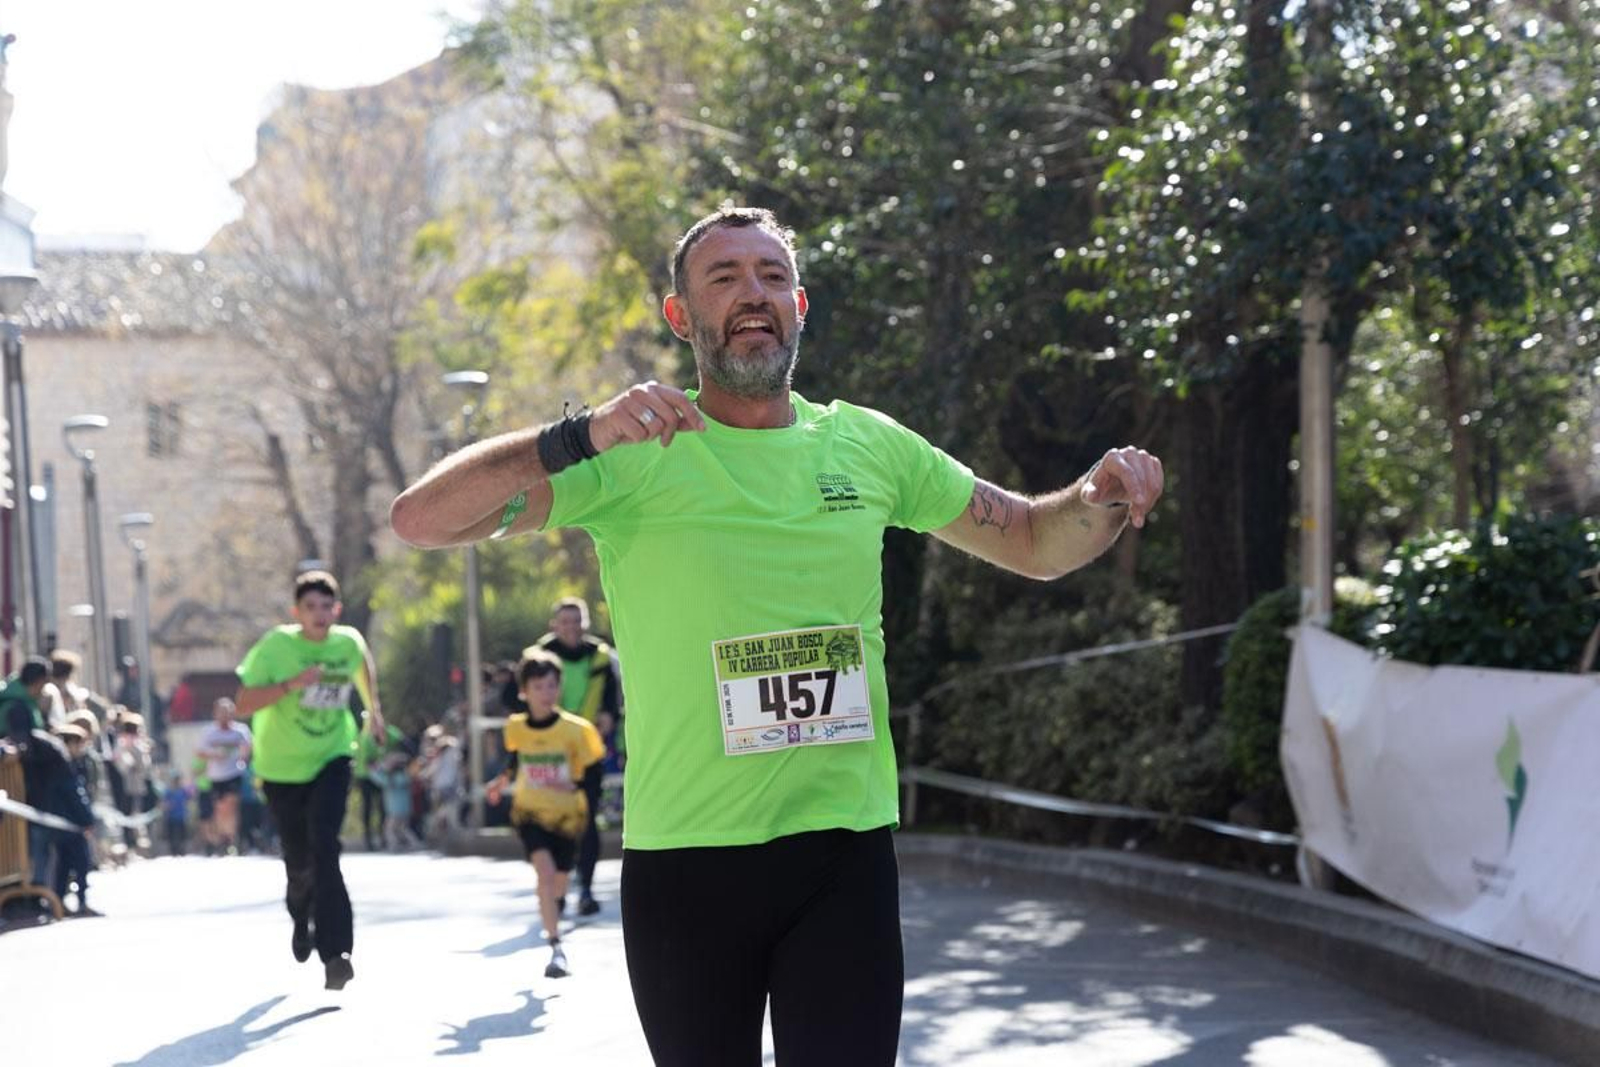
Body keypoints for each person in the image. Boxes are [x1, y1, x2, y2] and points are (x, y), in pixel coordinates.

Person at [390, 206, 1164, 1067]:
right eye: (723, 279)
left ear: (801, 303)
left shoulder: (868, 447)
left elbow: (1030, 539)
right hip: (687, 861)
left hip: (842, 857)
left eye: (769, 276)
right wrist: (578, 434)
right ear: (681, 318)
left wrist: (1095, 496)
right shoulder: (630, 454)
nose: (751, 294)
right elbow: (420, 519)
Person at [233, 569, 385, 991]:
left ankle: (337, 953)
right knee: (299, 862)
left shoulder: (347, 642)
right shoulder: (276, 647)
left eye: (326, 607)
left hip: (333, 755)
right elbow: (244, 702)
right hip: (282, 769)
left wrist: (375, 711)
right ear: (296, 611)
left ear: (336, 610)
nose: (319, 615)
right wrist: (291, 685)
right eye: (310, 607)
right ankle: (301, 914)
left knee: (325, 845)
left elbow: (363, 666)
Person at [486, 650, 604, 979]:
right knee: (546, 872)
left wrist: (575, 785)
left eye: (552, 686)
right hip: (530, 813)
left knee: (560, 882)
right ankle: (556, 946)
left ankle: (557, 905)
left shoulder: (577, 731)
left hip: (568, 819)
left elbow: (593, 775)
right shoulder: (517, 728)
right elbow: (517, 759)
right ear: (525, 691)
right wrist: (500, 781)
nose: (546, 694)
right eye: (538, 687)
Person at [522, 597, 620, 916]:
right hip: (549, 752)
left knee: (587, 819)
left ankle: (587, 890)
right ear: (554, 625)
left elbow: (611, 702)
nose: (571, 628)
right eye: (564, 622)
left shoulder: (599, 657)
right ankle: (559, 891)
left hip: (585, 750)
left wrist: (608, 718)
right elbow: (518, 698)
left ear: (585, 624)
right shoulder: (539, 657)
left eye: (576, 621)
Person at [197, 697, 252, 855]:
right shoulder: (208, 732)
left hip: (234, 773)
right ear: (215, 713)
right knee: (220, 809)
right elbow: (199, 752)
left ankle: (232, 836)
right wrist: (214, 754)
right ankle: (223, 836)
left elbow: (248, 748)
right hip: (216, 776)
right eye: (221, 712)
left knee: (231, 804)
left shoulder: (241, 731)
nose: (225, 715)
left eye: (228, 712)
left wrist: (243, 757)